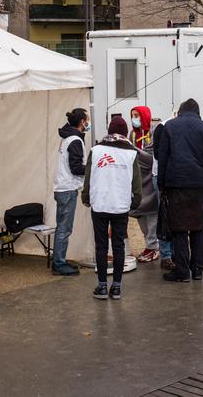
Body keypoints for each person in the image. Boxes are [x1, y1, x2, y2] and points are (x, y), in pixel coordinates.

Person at [81, 116, 142, 300]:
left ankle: (101, 286)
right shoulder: (131, 154)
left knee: (101, 245)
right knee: (118, 246)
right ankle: (116, 287)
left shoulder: (96, 150)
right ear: (124, 133)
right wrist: (135, 202)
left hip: (99, 204)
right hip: (121, 205)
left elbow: (88, 176)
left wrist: (86, 197)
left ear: (109, 131)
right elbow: (136, 184)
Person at [155, 98, 203, 283]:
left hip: (176, 185)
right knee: (198, 229)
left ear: (180, 111)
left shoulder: (170, 127)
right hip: (198, 185)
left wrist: (162, 186)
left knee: (179, 229)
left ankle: (182, 272)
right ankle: (197, 270)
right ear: (197, 112)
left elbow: (162, 158)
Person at [51, 108, 89, 276]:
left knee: (63, 227)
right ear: (82, 122)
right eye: (87, 119)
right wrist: (93, 166)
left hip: (62, 188)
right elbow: (76, 168)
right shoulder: (74, 140)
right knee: (64, 229)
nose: (88, 122)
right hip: (67, 189)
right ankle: (58, 264)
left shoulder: (68, 138)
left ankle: (60, 259)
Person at [128, 106, 160, 263]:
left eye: (137, 115)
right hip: (137, 180)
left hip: (150, 177)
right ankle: (150, 243)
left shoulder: (153, 131)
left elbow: (152, 155)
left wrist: (134, 152)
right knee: (139, 212)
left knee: (153, 213)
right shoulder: (132, 134)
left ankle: (153, 246)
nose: (134, 118)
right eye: (133, 115)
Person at [152, 121, 175, 270]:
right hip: (161, 177)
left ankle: (173, 252)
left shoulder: (173, 126)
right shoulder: (162, 127)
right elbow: (158, 154)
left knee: (174, 217)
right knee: (164, 217)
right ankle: (166, 255)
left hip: (174, 176)